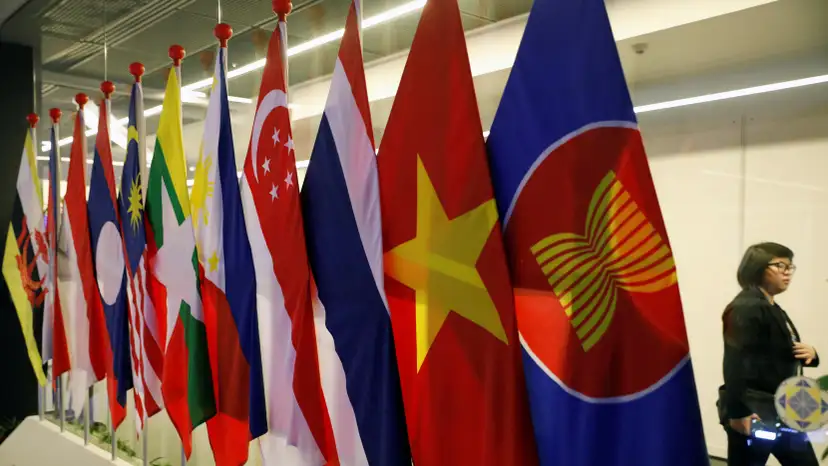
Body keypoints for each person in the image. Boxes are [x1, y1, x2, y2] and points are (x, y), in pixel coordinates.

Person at [721, 242, 820, 466]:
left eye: (790, 267)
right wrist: (739, 413)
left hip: (781, 408)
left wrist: (812, 355)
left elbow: (773, 353)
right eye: (780, 266)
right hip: (754, 411)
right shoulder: (746, 307)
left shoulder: (772, 306)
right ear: (757, 267)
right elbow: (735, 362)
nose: (787, 273)